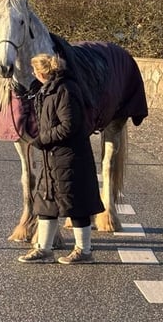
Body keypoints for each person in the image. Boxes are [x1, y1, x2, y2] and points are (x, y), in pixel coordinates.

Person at [18, 53, 105, 264]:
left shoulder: (65, 90)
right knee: (47, 203)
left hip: (70, 157)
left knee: (75, 203)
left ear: (41, 72)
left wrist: (42, 140)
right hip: (52, 157)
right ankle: (44, 248)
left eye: (33, 71)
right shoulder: (48, 90)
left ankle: (84, 251)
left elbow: (69, 125)